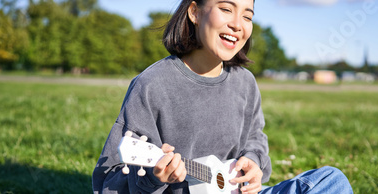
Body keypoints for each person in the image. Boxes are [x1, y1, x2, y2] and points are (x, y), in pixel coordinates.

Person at [92, 0, 353, 193]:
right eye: (226, 8)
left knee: (333, 179)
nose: (237, 25)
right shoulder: (152, 84)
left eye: (247, 16)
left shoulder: (246, 83)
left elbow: (256, 139)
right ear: (194, 12)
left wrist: (253, 161)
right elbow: (108, 182)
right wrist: (152, 178)